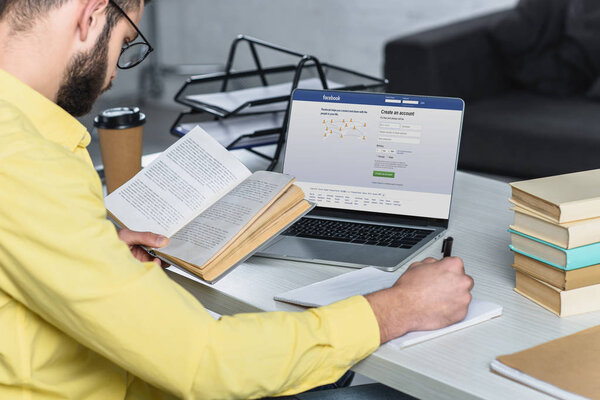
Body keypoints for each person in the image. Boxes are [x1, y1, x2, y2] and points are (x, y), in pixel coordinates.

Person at [0, 0, 474, 398]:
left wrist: (95, 250)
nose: (112, 75)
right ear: (90, 16)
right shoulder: (22, 158)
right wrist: (396, 309)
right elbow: (205, 361)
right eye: (125, 43)